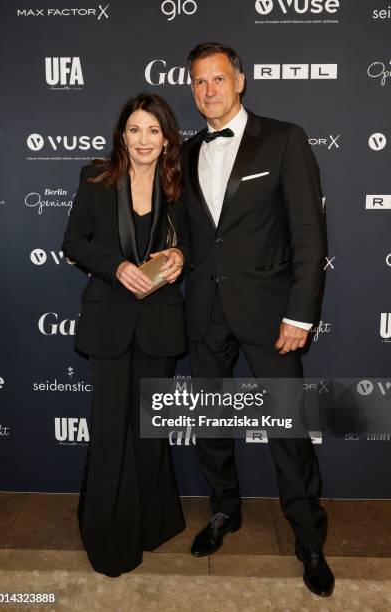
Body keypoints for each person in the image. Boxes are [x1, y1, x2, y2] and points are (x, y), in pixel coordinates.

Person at [183, 42, 334, 597]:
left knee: (288, 431)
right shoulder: (186, 149)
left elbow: (309, 236)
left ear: (240, 81)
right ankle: (224, 511)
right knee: (211, 422)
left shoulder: (285, 139)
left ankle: (308, 537)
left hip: (272, 315)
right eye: (198, 82)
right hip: (204, 312)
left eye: (218, 79)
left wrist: (301, 313)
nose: (208, 91)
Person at [62, 93, 187, 577]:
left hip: (159, 322)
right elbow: (73, 241)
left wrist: (178, 259)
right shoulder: (96, 177)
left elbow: (190, 242)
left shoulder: (179, 183)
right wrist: (115, 266)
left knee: (149, 431)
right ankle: (108, 536)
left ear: (166, 137)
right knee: (112, 428)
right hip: (109, 321)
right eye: (134, 130)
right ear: (121, 135)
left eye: (153, 131)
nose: (143, 140)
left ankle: (151, 524)